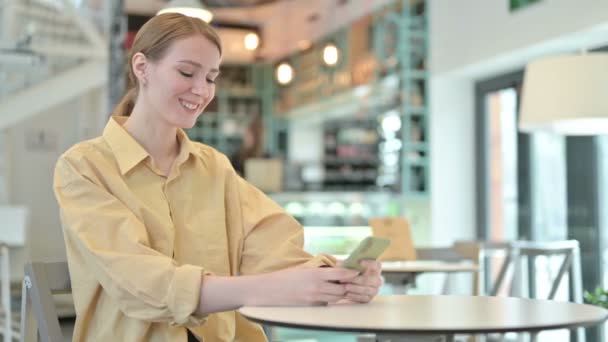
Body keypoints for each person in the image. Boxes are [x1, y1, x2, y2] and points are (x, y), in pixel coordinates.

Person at [53, 13, 382, 342]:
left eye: (211, 77)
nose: (201, 90)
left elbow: (274, 249)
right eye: (186, 72)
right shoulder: (83, 167)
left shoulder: (215, 168)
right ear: (142, 68)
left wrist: (337, 277)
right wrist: (266, 289)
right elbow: (139, 281)